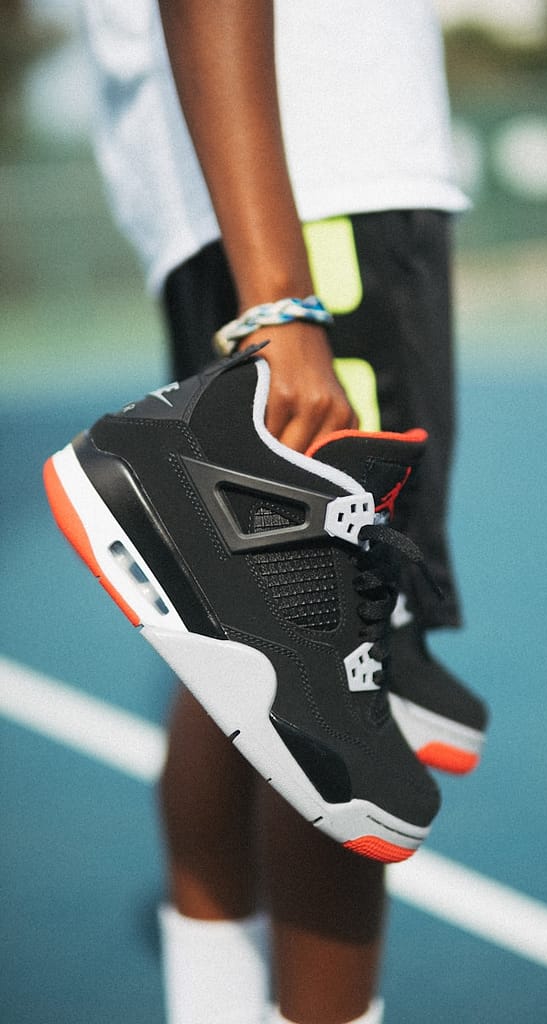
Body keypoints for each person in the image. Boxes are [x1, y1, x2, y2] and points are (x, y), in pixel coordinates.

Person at [78, 2, 488, 1022]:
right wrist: (283, 302)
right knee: (332, 687)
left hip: (263, 186)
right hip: (313, 196)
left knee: (253, 649)